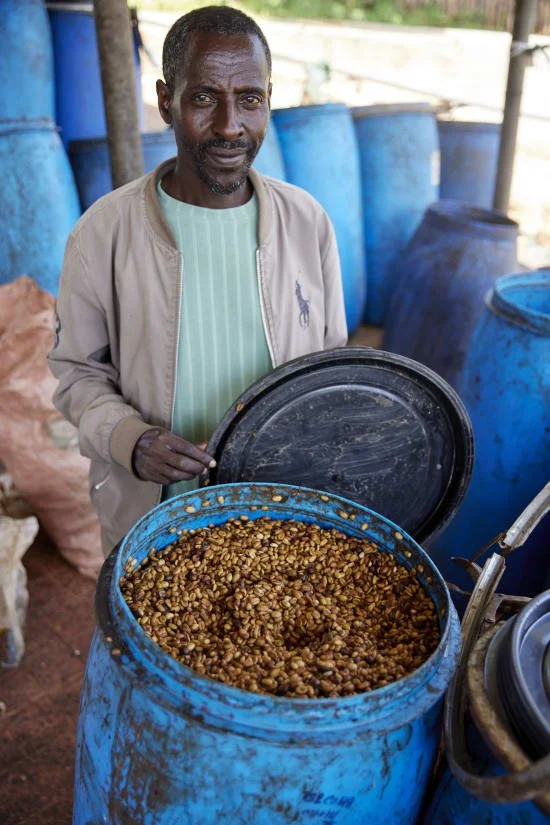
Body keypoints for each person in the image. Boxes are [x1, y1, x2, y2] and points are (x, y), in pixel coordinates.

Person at [48, 5, 347, 553]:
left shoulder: (308, 224)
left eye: (250, 99)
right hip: (153, 526)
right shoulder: (103, 234)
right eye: (204, 98)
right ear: (166, 101)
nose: (231, 125)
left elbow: (330, 371)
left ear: (268, 100)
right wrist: (129, 440)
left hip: (280, 519)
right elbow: (75, 376)